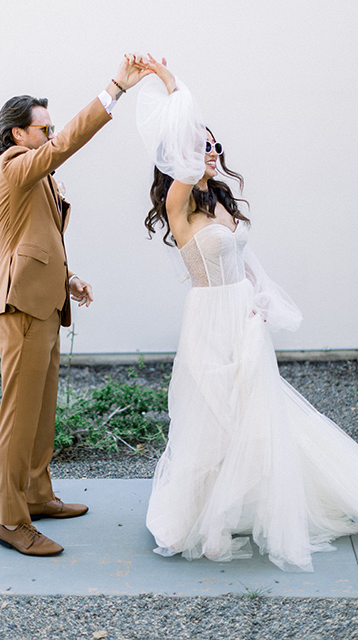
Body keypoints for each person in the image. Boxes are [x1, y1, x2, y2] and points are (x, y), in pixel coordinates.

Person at [136, 55, 358, 572]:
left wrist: (261, 300)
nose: (209, 151)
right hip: (208, 317)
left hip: (242, 315)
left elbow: (245, 260)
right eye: (200, 144)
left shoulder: (220, 202)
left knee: (256, 413)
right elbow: (177, 140)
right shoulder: (179, 202)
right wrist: (169, 83)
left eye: (214, 144)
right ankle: (207, 515)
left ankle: (252, 501)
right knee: (213, 414)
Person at [0, 54, 152, 556]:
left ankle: (37, 496)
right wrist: (114, 91)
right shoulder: (12, 165)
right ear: (19, 134)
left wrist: (69, 278)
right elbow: (63, 148)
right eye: (43, 127)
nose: (50, 133)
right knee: (19, 413)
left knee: (40, 411)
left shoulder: (33, 174)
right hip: (21, 307)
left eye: (51, 127)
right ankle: (11, 521)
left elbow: (38, 238)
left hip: (44, 301)